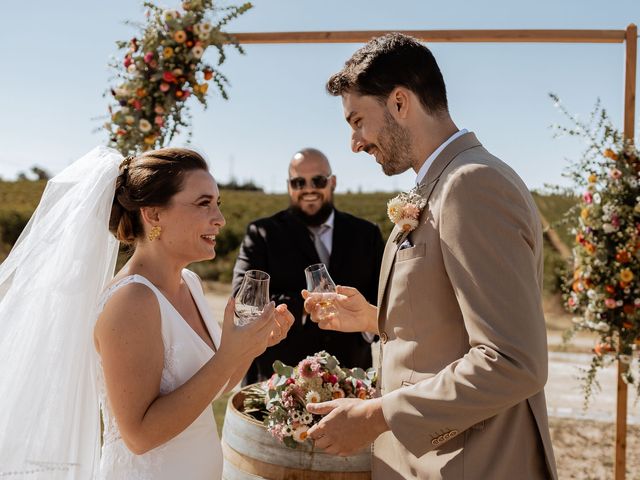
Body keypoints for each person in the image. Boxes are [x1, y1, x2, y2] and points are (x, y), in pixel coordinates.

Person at [303, 33, 558, 479]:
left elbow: (513, 361)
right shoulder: (441, 183)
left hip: (475, 462)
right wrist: (373, 319)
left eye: (358, 120)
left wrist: (376, 416)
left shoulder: (471, 185)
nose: (355, 143)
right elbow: (455, 321)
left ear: (400, 103)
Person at [0, 146, 293, 479]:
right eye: (203, 204)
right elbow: (140, 436)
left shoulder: (190, 282)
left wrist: (251, 346)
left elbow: (213, 384)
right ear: (153, 215)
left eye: (218, 204)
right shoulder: (131, 301)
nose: (220, 219)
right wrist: (228, 356)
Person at [232, 148, 384, 384]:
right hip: (278, 385)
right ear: (289, 186)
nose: (309, 188)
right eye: (299, 182)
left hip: (352, 383)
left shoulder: (367, 234)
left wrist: (365, 326)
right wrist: (305, 306)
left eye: (318, 180)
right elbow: (244, 299)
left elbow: (384, 302)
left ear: (332, 182)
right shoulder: (262, 233)